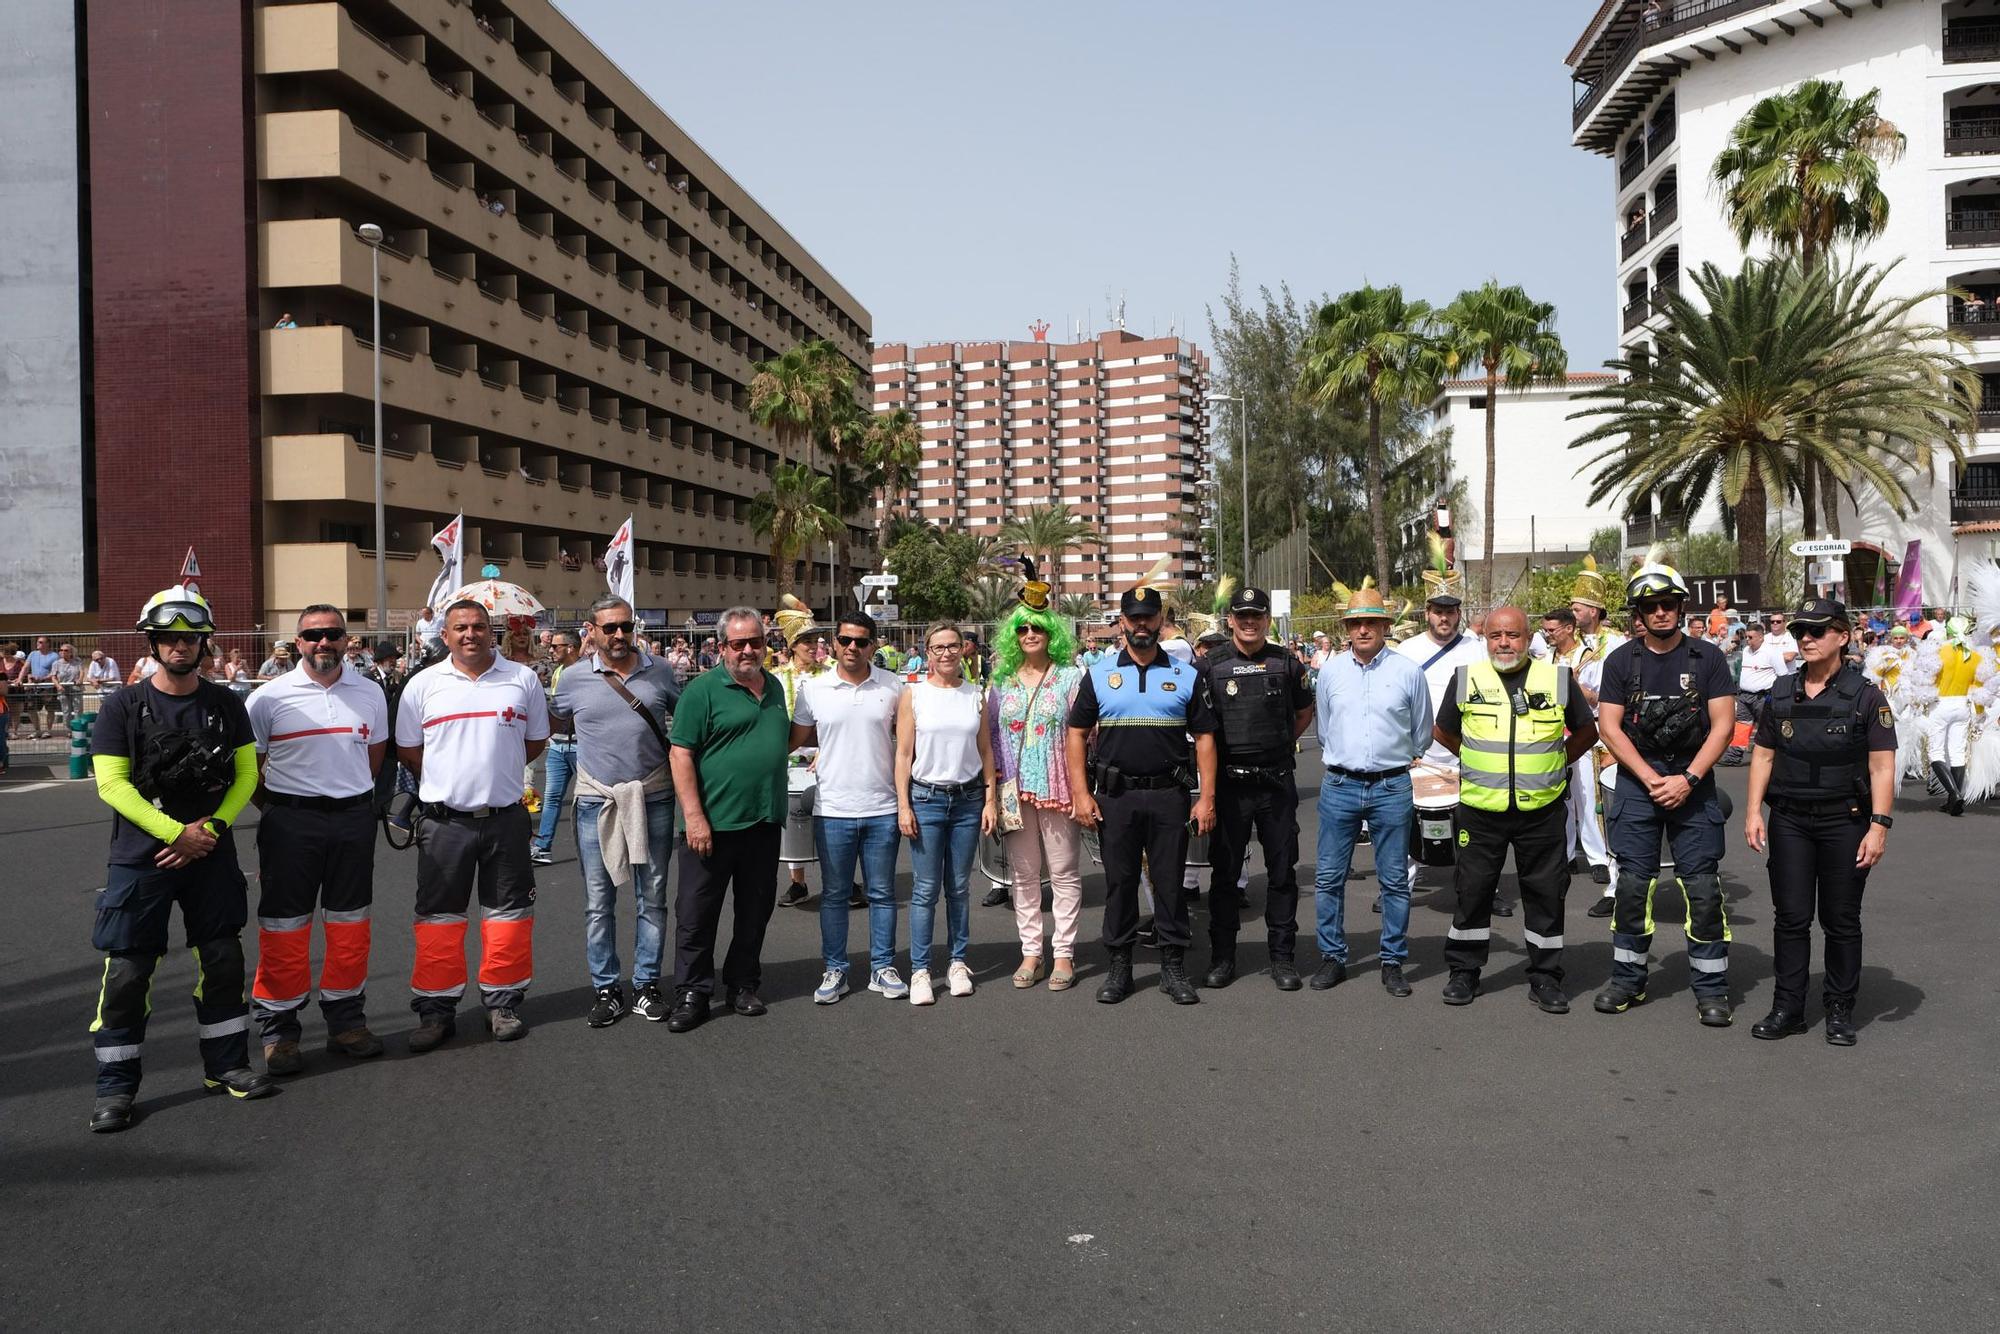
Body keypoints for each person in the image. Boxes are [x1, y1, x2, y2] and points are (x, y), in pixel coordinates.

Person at [85, 586, 273, 1132]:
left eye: (189, 638)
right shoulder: (122, 705)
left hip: (210, 853)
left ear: (204, 643)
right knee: (126, 972)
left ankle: (228, 1067)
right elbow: (112, 786)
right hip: (141, 858)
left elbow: (246, 777)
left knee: (222, 960)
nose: (179, 647)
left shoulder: (226, 704)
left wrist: (210, 829)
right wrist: (176, 833)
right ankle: (115, 1090)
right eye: (168, 638)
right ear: (153, 641)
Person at [393, 599, 550, 1052]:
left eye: (479, 626)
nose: (470, 635)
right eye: (460, 627)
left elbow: (534, 740)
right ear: (445, 635)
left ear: (491, 632)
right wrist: (450, 781)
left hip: (504, 820)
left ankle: (502, 1003)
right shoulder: (423, 685)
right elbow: (409, 749)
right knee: (439, 919)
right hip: (445, 824)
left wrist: (494, 772)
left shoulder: (522, 680)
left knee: (508, 917)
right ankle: (436, 1011)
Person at [1743, 599, 1896, 1046]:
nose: (1806, 639)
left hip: (1844, 821)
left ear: (1843, 637)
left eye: (1817, 631)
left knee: (1840, 919)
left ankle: (1839, 1008)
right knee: (1790, 917)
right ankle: (1788, 1007)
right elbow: (1765, 754)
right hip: (1789, 818)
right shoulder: (1782, 690)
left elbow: (1882, 766)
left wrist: (1879, 825)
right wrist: (1754, 810)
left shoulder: (1867, 696)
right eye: (1799, 632)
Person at [244, 605, 389, 1073]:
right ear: (297, 643)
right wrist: (282, 810)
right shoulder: (267, 698)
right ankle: (280, 1030)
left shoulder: (370, 693)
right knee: (284, 926)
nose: (323, 642)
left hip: (351, 821)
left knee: (350, 924)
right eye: (313, 635)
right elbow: (249, 772)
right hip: (290, 822)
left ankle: (346, 1021)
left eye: (332, 634)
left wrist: (345, 801)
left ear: (347, 640)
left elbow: (374, 759)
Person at [1432, 607, 1598, 1013]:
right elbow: (1444, 732)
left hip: (1540, 810)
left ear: (1529, 638)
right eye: (1495, 636)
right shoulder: (1465, 678)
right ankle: (1464, 971)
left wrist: (1555, 766)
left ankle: (1545, 975)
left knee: (1545, 894)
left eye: (1513, 635)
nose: (1504, 643)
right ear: (1485, 639)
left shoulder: (1557, 679)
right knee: (1472, 891)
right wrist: (1475, 764)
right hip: (1480, 809)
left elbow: (1587, 732)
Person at [1594, 564, 1739, 1025]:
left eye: (1668, 605)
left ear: (1680, 607)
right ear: (1638, 613)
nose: (1660, 613)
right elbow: (1609, 727)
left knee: (1702, 888)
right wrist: (1648, 777)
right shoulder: (1620, 661)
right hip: (1640, 783)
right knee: (1634, 886)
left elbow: (1724, 726)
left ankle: (1712, 989)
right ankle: (1628, 980)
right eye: (1650, 606)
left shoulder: (1708, 658)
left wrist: (1689, 779)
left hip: (1692, 781)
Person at [1067, 574, 1218, 1005]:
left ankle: (1173, 968)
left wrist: (1206, 798)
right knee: (1120, 883)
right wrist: (1081, 793)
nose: (1141, 625)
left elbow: (1205, 739)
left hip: (1170, 797)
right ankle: (1120, 968)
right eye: (1133, 618)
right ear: (1121, 622)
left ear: (1160, 620)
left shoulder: (1186, 675)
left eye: (1148, 617)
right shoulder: (1098, 675)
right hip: (1115, 797)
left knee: (1170, 883)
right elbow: (1076, 733)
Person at [554, 597, 681, 1027]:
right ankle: (606, 988)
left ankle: (646, 984)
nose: (619, 635)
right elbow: (546, 725)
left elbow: (684, 727)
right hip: (596, 802)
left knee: (654, 898)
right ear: (591, 630)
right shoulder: (571, 680)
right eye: (609, 628)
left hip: (655, 797)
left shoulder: (661, 671)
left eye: (625, 626)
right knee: (598, 902)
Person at [666, 606, 791, 1031]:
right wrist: (694, 816)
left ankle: (742, 984)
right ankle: (692, 992)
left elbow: (779, 738)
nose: (749, 650)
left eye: (756, 641)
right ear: (722, 647)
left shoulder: (773, 686)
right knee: (697, 913)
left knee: (754, 910)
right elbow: (680, 753)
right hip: (711, 826)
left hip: (763, 821)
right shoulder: (701, 691)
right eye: (738, 644)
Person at [1309, 586, 1434, 997]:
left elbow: (1420, 733)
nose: (1363, 629)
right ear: (1347, 628)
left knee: (1395, 880)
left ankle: (1393, 960)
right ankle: (1332, 956)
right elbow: (1324, 729)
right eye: (1355, 623)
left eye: (1371, 622)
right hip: (1341, 783)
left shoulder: (1407, 672)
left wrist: (1392, 759)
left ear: (1385, 626)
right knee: (1328, 877)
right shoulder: (1330, 671)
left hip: (1392, 784)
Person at [1197, 586, 1315, 990]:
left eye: (1256, 616)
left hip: (1275, 784)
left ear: (1267, 620)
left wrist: (1280, 744)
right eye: (1241, 616)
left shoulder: (1287, 663)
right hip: (1230, 786)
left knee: (1282, 874)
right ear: (1230, 619)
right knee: (1225, 876)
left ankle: (1282, 958)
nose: (1249, 622)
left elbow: (1303, 712)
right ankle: (1223, 958)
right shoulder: (1210, 666)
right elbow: (1200, 729)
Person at [796, 611, 907, 1003]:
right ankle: (835, 970)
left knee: (882, 893)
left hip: (882, 807)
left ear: (873, 644)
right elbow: (795, 739)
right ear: (835, 642)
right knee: (834, 895)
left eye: (861, 641)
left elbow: (908, 744)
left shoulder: (894, 686)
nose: (852, 648)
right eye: (845, 640)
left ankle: (882, 967)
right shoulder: (813, 689)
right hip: (833, 809)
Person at [988, 580, 1089, 990]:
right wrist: (992, 792)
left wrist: (1081, 788)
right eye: (1022, 629)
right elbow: (991, 740)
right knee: (1024, 876)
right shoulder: (1002, 681)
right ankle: (1032, 951)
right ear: (1013, 635)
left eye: (1039, 628)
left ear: (1052, 634)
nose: (1030, 634)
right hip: (1012, 791)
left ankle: (1063, 953)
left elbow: (1084, 733)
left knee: (1064, 873)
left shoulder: (1069, 678)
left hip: (1057, 786)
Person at [895, 620, 997, 1005]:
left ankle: (957, 962)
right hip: (926, 799)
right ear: (927, 652)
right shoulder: (914, 695)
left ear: (964, 649)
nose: (946, 653)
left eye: (953, 646)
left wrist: (989, 800)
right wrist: (903, 804)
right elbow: (903, 755)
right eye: (938, 648)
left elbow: (986, 751)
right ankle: (920, 970)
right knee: (924, 890)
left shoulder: (976, 695)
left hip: (969, 800)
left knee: (958, 888)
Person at [1391, 580, 1496, 904]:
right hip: (1419, 754)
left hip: (1465, 751)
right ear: (1428, 614)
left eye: (1450, 611)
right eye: (1438, 612)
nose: (1444, 618)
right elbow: (1395, 701)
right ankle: (1399, 891)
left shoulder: (1476, 649)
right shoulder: (1408, 650)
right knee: (1406, 826)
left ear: (1458, 614)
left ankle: (1483, 892)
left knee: (1478, 828)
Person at [1542, 607, 1613, 896]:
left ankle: (1598, 858)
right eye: (1545, 630)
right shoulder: (1546, 658)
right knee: (1560, 798)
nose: (1547, 635)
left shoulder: (1590, 657)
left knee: (1586, 795)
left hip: (1582, 731)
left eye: (1552, 630)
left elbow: (1600, 698)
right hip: (1552, 731)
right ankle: (1566, 854)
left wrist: (1574, 685)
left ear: (1569, 628)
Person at [769, 597, 829, 908]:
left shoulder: (830, 674)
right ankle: (798, 883)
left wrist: (826, 749)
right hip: (792, 759)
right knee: (795, 822)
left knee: (832, 821)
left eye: (814, 640)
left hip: (827, 758)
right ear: (792, 645)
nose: (812, 646)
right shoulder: (778, 677)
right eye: (805, 640)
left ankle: (841, 880)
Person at [530, 629, 582, 865]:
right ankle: (542, 847)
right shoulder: (558, 671)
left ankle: (592, 849)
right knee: (551, 798)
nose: (551, 650)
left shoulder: (587, 671)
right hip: (558, 746)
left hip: (582, 746)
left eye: (555, 646)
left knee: (587, 802)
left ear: (570, 648)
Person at [1922, 616, 1984, 815]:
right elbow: (1980, 687)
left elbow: (1924, 679)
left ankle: (1954, 794)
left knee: (1936, 752)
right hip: (1962, 704)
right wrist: (1980, 713)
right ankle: (1953, 799)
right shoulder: (1975, 655)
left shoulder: (1939, 650)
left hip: (1940, 703)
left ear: (1947, 632)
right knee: (1957, 752)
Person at [1728, 621, 1786, 767]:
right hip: (1744, 696)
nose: (1748, 640)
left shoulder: (1772, 652)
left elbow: (1783, 675)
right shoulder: (1746, 651)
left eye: (1751, 637)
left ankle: (1778, 756)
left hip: (1763, 696)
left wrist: (1776, 696)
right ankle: (1734, 757)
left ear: (1761, 637)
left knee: (1767, 727)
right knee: (1742, 725)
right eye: (1746, 637)